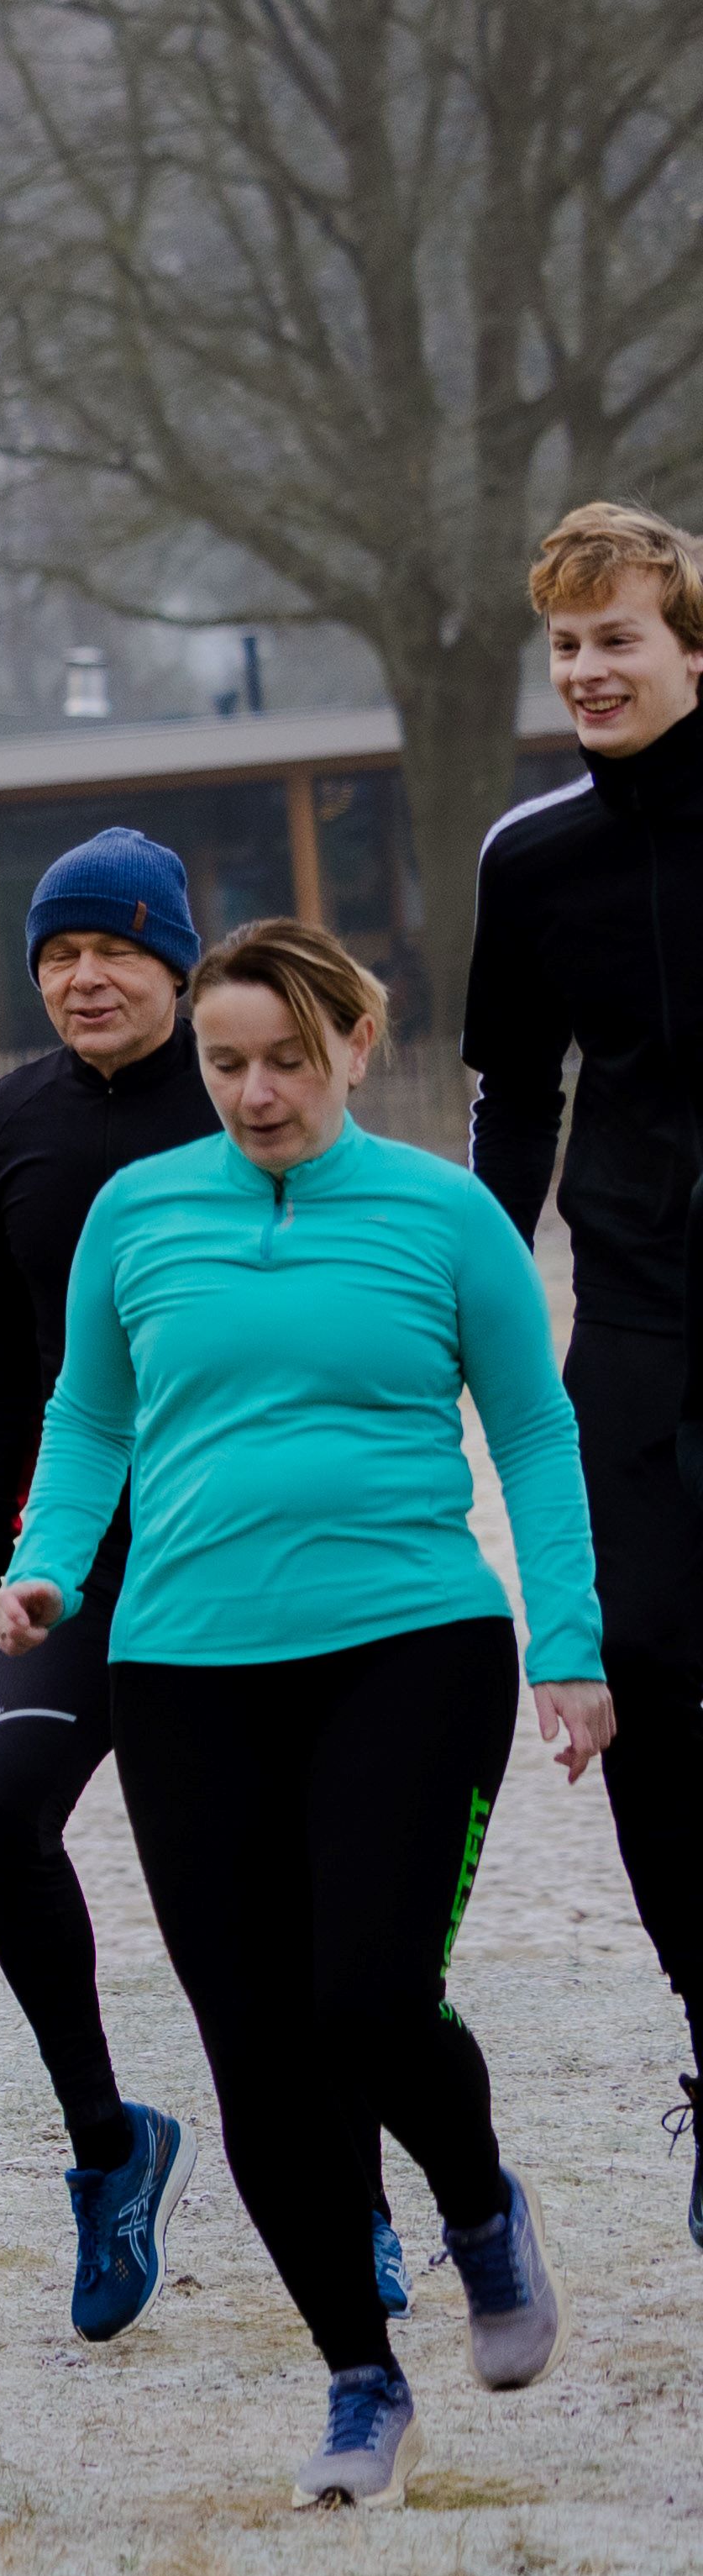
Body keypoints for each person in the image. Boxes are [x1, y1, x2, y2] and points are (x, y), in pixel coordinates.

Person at [0, 919, 600, 2505]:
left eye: (286, 1060)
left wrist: (571, 1644)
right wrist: (47, 1565)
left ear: (354, 1043)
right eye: (225, 1064)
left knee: (371, 1997)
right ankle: (356, 2376)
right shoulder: (136, 1212)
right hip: (184, 1669)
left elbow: (534, 1434)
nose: (256, 1093)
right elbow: (88, 1415)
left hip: (412, 1646)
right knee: (255, 2046)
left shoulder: (445, 1216)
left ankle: (477, 2201)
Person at [0, 830, 223, 2336]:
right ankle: (109, 2146)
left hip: (232, 1546)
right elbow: (3, 1364)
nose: (83, 978)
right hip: (74, 1549)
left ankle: (358, 2199)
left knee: (258, 1882)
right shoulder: (10, 1121)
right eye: (57, 955)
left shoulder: (243, 1094)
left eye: (114, 949)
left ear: (175, 959)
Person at [462, 496, 703, 2241]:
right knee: (642, 1687)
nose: (588, 671)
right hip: (627, 1323)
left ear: (691, 649)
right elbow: (507, 1102)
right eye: (565, 645)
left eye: (618, 637)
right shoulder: (529, 857)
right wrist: (456, 1307)